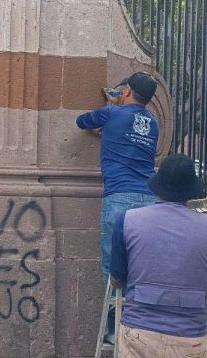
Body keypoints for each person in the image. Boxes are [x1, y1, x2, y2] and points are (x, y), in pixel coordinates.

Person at [110, 154, 207, 358]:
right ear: (191, 192)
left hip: (140, 333)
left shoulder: (127, 220)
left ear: (158, 187)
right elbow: (205, 279)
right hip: (192, 338)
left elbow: (117, 279)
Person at [76, 71, 160, 285]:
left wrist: (113, 106)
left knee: (113, 265)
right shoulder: (153, 123)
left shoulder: (112, 113)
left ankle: (115, 316)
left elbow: (82, 122)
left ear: (128, 90)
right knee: (142, 263)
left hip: (119, 196)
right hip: (150, 199)